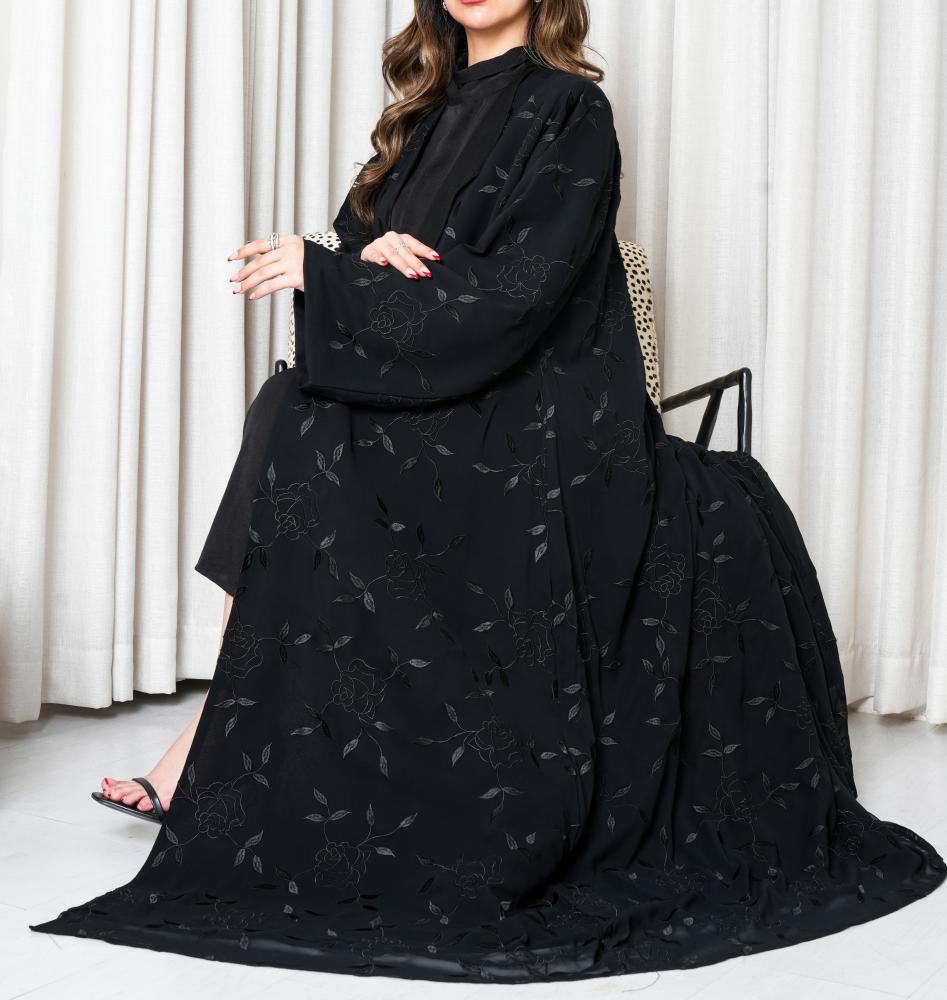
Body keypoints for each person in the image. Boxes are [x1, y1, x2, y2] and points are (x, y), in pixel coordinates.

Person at [30, 0, 946, 984]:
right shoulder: (421, 115)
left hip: (539, 413)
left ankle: (205, 740)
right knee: (292, 405)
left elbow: (520, 293)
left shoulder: (570, 111)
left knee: (301, 416)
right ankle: (213, 730)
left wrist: (335, 277)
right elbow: (370, 251)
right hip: (441, 391)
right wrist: (358, 262)